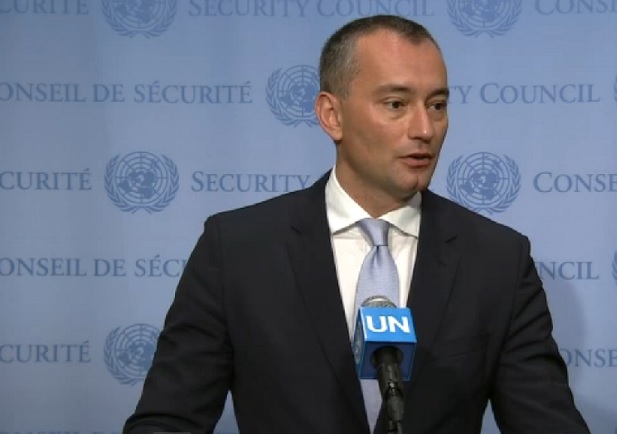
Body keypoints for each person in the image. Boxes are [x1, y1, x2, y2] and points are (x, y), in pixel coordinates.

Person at [123, 15, 589, 434]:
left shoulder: (497, 259)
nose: (425, 129)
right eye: (396, 104)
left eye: (437, 105)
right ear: (332, 115)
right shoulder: (238, 249)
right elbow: (168, 420)